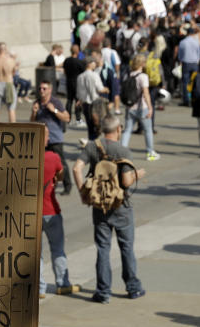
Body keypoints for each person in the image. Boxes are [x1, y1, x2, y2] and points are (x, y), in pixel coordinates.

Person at [73, 115, 146, 303]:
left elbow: (76, 168)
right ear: (119, 129)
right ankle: (133, 288)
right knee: (126, 247)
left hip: (100, 206)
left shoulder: (91, 146)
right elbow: (126, 181)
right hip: (121, 206)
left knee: (103, 249)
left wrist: (83, 192)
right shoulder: (123, 151)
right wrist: (138, 173)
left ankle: (103, 292)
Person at [38, 124, 79, 297]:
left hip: (31, 212)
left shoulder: (24, 158)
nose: (49, 139)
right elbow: (61, 176)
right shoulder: (53, 157)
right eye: (47, 136)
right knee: (57, 248)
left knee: (35, 252)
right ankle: (62, 283)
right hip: (51, 210)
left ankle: (39, 288)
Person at [31, 79, 72, 195]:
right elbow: (32, 122)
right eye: (40, 89)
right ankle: (48, 186)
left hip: (55, 138)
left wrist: (54, 110)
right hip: (42, 139)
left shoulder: (56, 102)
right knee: (43, 163)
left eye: (44, 88)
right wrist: (34, 112)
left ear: (50, 90)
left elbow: (67, 118)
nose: (41, 91)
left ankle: (67, 185)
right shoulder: (37, 103)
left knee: (61, 163)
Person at [121, 54, 160, 161]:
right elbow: (146, 93)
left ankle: (122, 153)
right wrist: (150, 107)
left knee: (127, 130)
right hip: (142, 107)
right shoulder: (143, 77)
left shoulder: (127, 75)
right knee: (148, 130)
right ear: (142, 64)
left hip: (130, 107)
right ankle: (150, 153)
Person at [77, 57, 108, 140]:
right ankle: (96, 143)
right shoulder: (94, 75)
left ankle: (91, 141)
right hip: (95, 103)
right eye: (94, 62)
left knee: (90, 126)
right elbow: (100, 89)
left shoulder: (80, 77)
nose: (95, 64)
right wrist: (106, 89)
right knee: (98, 125)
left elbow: (79, 93)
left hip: (85, 104)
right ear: (89, 64)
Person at [0, 42, 18, 123]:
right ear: (5, 49)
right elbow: (14, 73)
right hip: (8, 83)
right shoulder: (11, 60)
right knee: (11, 109)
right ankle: (13, 129)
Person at [178, 26, 200, 105]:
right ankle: (193, 99)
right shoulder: (196, 42)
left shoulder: (183, 42)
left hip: (186, 63)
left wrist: (180, 60)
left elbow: (180, 54)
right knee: (194, 82)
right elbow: (199, 53)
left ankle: (186, 100)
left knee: (185, 82)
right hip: (194, 63)